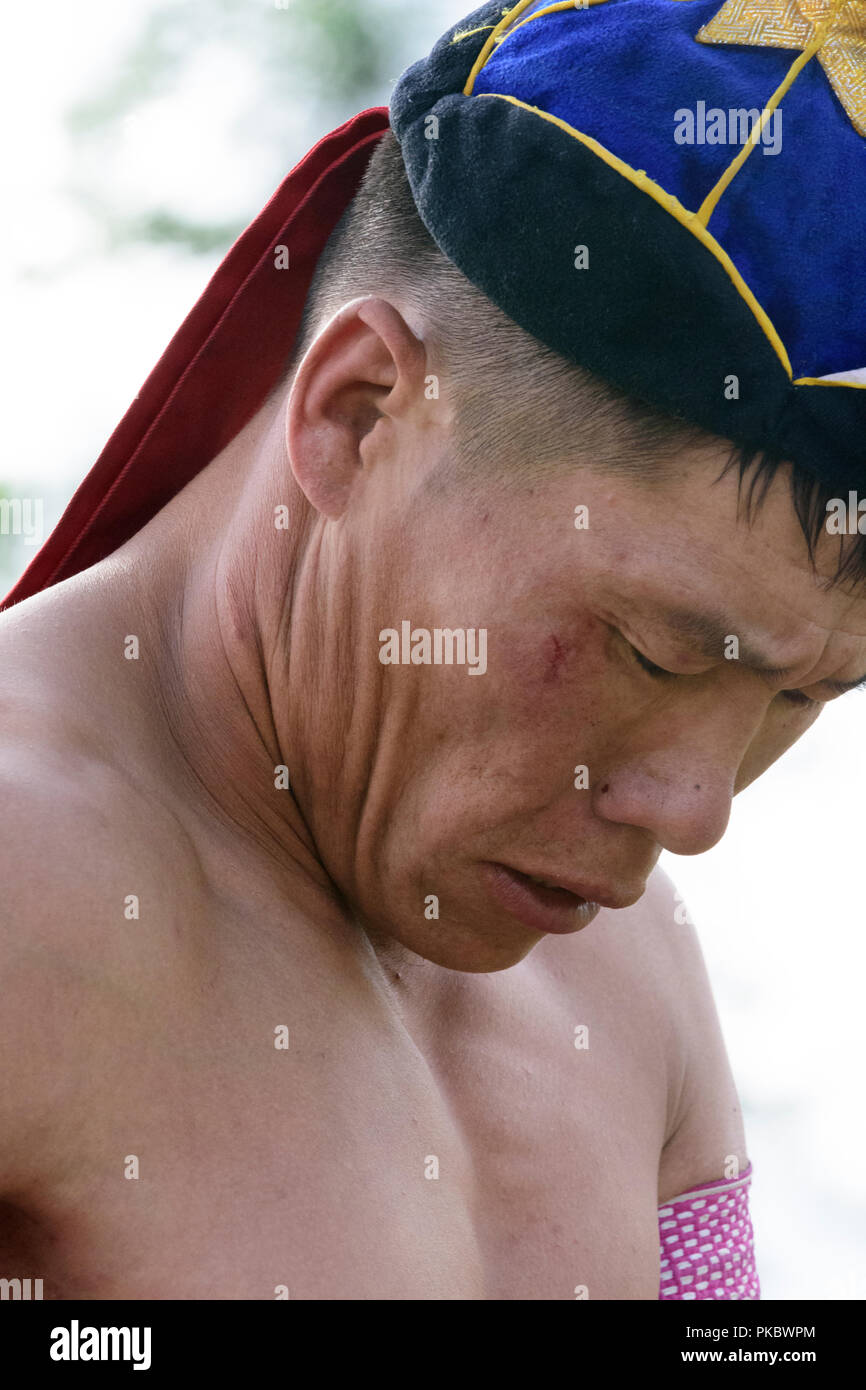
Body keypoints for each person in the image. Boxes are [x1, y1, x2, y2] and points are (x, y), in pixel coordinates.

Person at [2, 0, 864, 1300]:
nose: (693, 814)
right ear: (358, 414)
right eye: (651, 650)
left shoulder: (629, 977)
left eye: (800, 693)